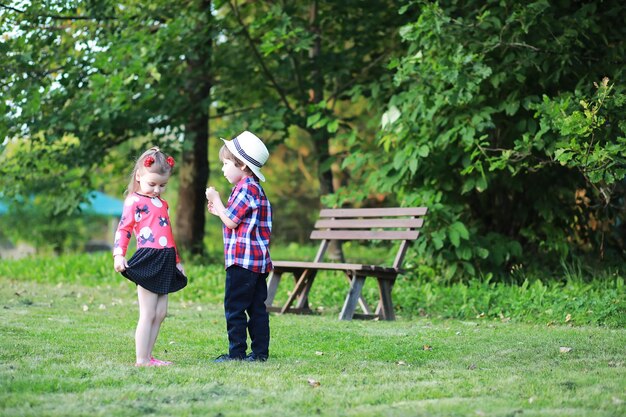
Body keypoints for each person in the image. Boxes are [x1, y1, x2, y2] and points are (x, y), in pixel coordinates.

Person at [113, 146, 187, 367]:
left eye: (162, 185)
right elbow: (124, 229)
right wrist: (119, 254)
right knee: (148, 312)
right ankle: (141, 359)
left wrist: (177, 262)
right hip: (148, 258)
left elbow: (168, 235)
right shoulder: (134, 201)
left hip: (165, 258)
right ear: (139, 176)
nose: (157, 189)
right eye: (152, 184)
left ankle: (149, 356)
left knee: (161, 313)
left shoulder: (163, 204)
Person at [205, 131, 272, 362]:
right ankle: (260, 354)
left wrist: (216, 200)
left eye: (226, 164)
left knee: (234, 308)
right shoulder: (254, 188)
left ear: (242, 164)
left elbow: (231, 221)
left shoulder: (246, 189)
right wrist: (220, 210)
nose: (223, 169)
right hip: (257, 262)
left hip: (242, 261)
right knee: (256, 308)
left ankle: (236, 354)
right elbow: (234, 219)